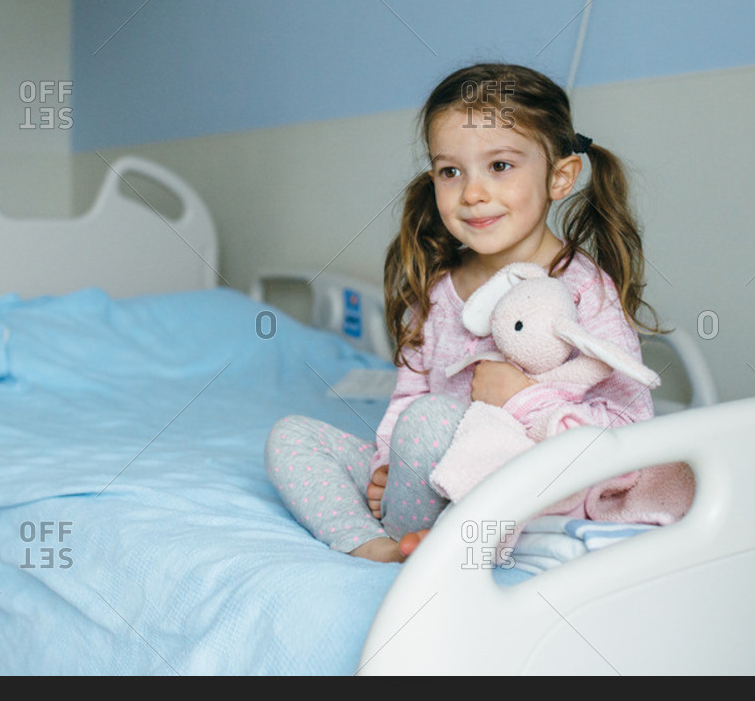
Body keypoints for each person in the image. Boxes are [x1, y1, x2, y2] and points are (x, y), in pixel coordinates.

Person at [264, 62, 663, 562]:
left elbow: (627, 432)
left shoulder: (585, 291)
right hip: (423, 473)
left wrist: (523, 401)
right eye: (451, 171)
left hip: (520, 486)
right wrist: (388, 462)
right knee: (292, 438)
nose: (472, 193)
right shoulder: (434, 293)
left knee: (433, 421)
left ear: (560, 177)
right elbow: (408, 396)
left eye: (499, 166)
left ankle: (449, 541)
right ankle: (375, 544)